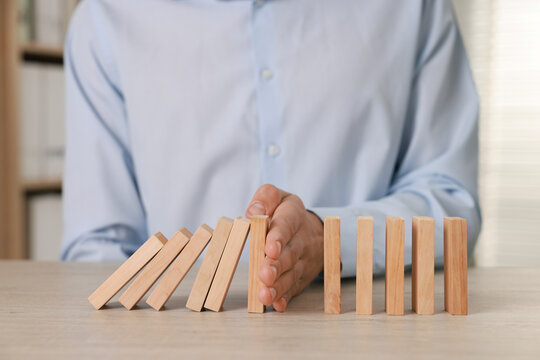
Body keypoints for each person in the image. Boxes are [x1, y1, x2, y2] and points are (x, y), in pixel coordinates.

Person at [61, 0, 481, 312]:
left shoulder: (413, 8)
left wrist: (329, 241)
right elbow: (97, 244)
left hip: (372, 333)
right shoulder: (103, 20)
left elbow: (449, 200)